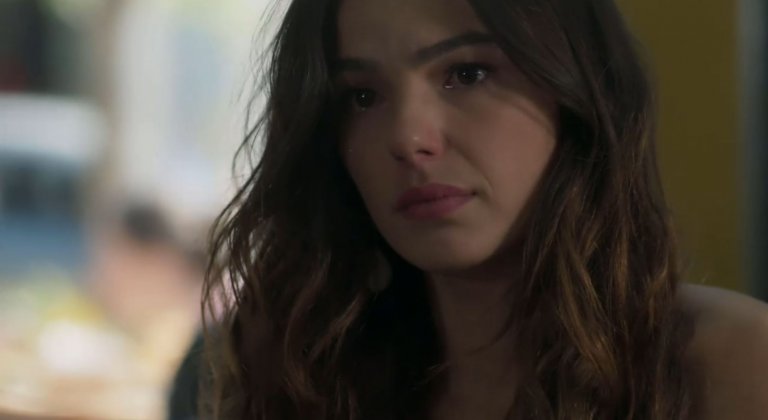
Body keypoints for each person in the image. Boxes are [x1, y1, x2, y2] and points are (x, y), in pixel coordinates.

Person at [200, 0, 768, 418]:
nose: (408, 138)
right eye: (362, 96)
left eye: (467, 74)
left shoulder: (730, 365)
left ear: (576, 91)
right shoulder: (300, 371)